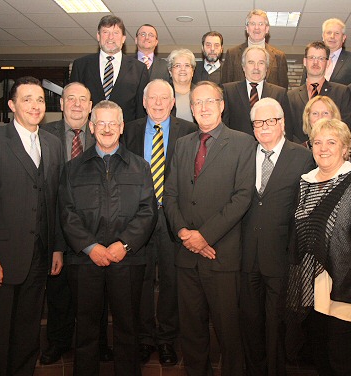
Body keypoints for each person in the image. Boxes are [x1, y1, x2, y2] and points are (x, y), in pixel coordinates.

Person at [0, 76, 64, 375]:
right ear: (11, 105)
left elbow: (56, 201)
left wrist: (57, 248)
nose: (35, 105)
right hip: (2, 259)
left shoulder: (53, 144)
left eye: (39, 99)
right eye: (26, 99)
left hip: (39, 256)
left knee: (27, 329)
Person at [284, 118, 351, 376]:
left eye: (331, 142)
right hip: (314, 293)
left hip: (350, 289)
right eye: (317, 142)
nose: (323, 148)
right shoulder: (305, 183)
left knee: (346, 363)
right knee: (322, 361)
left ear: (345, 148)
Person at [58, 100, 158, 376]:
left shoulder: (140, 166)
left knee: (128, 328)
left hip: (127, 260)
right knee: (87, 330)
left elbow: (148, 211)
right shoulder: (72, 168)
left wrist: (123, 244)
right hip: (85, 261)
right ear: (91, 126)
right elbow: (66, 213)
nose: (106, 128)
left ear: (122, 127)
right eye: (100, 122)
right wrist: (91, 248)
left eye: (112, 122)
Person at [163, 81, 256, 376]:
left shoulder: (243, 143)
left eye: (209, 101)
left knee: (229, 333)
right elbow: (171, 195)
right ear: (190, 109)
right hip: (186, 257)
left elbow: (242, 197)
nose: (203, 108)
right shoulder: (182, 144)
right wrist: (183, 234)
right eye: (197, 103)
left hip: (222, 255)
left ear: (222, 105)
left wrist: (204, 236)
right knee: (192, 333)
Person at [123, 79, 197, 366]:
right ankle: (143, 338)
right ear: (144, 102)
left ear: (172, 102)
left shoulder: (188, 132)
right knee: (138, 282)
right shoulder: (127, 130)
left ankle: (166, 339)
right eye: (152, 98)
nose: (157, 103)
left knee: (171, 281)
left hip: (172, 220)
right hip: (136, 220)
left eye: (164, 98)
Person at [40, 82, 113, 364]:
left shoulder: (104, 135)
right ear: (61, 104)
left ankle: (100, 344)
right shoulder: (45, 135)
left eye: (83, 99)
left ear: (91, 105)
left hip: (96, 229)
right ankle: (58, 341)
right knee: (58, 290)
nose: (77, 104)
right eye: (71, 99)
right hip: (56, 224)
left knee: (98, 295)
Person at [240, 97, 314, 376]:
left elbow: (306, 209)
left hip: (282, 256)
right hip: (246, 255)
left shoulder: (302, 157)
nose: (264, 127)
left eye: (270, 121)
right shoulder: (244, 153)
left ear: (282, 123)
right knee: (250, 322)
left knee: (277, 324)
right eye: (258, 122)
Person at [70, 15, 148, 122]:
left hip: (126, 135)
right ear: (98, 36)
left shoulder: (139, 69)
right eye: (105, 32)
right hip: (89, 134)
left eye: (116, 33)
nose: (110, 37)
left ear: (123, 38)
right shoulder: (81, 65)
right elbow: (71, 104)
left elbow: (141, 110)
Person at [287, 41, 351, 143]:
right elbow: (289, 130)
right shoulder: (291, 96)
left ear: (328, 63)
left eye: (321, 59)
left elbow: (345, 127)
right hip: (300, 152)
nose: (315, 62)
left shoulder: (342, 92)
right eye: (312, 58)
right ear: (305, 61)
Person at [222, 45, 291, 136]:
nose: (256, 67)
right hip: (238, 148)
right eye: (251, 62)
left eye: (261, 63)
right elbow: (224, 127)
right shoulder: (228, 91)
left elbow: (287, 129)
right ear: (243, 67)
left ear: (266, 68)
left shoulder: (279, 93)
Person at [221, 9, 289, 88]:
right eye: (253, 24)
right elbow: (225, 86)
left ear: (267, 29)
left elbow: (283, 89)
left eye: (261, 24)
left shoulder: (279, 56)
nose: (257, 28)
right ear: (247, 28)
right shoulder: (232, 54)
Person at [302, 95, 351, 166]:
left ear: (334, 116)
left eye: (325, 113)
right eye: (315, 113)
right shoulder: (301, 150)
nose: (320, 117)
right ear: (308, 118)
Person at [300, 18, 351, 85]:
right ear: (323, 36)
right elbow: (302, 88)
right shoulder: (311, 60)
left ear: (343, 38)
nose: (332, 36)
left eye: (337, 33)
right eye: (329, 33)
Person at [167, 49, 196, 122]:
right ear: (170, 71)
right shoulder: (163, 94)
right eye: (177, 66)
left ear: (192, 71)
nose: (182, 69)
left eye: (187, 65)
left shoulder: (200, 93)